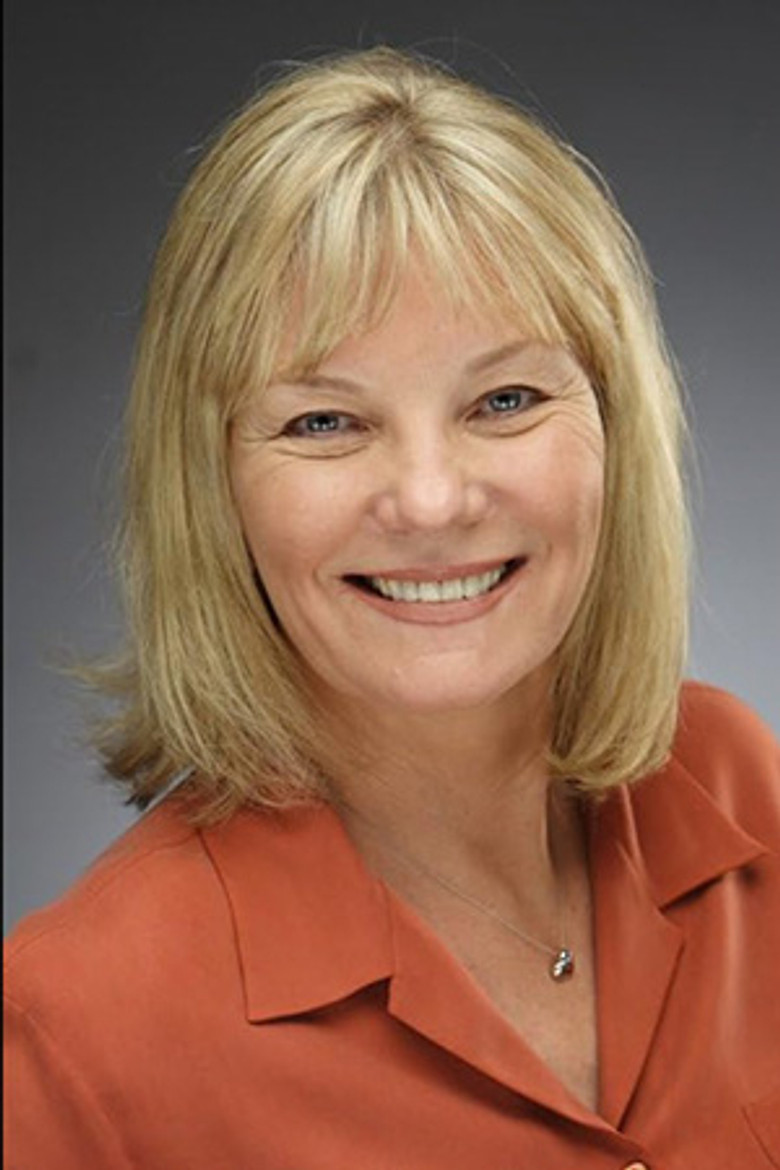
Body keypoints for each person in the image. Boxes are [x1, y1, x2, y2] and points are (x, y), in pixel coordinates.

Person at [4, 45, 779, 1170]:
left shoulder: (740, 787)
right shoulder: (74, 1035)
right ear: (212, 482)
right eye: (325, 422)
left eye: (504, 399)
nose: (430, 499)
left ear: (615, 428)